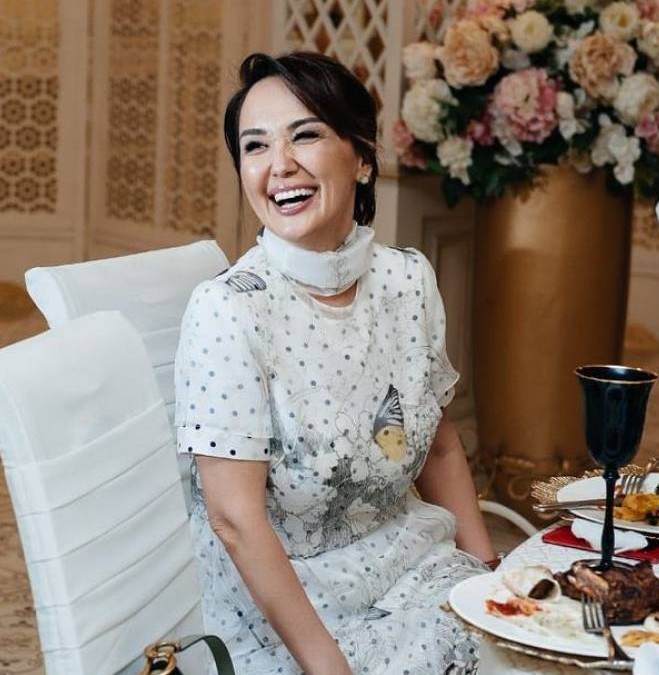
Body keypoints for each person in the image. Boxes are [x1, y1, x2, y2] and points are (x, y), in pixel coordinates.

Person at [174, 51, 496, 675]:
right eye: (255, 146)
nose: (279, 165)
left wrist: (491, 579)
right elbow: (234, 520)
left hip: (417, 572)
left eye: (306, 135)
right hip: (293, 621)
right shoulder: (229, 310)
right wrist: (330, 669)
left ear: (363, 157)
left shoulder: (407, 279)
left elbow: (438, 447)